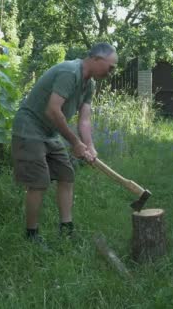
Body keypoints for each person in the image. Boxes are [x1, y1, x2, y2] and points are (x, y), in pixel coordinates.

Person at [11, 43, 118, 244]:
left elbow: (84, 120)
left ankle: (66, 230)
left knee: (66, 175)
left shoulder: (90, 84)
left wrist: (89, 145)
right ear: (96, 59)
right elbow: (52, 110)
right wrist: (75, 143)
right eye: (111, 67)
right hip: (29, 129)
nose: (111, 72)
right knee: (38, 182)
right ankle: (31, 235)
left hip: (50, 132)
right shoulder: (70, 72)